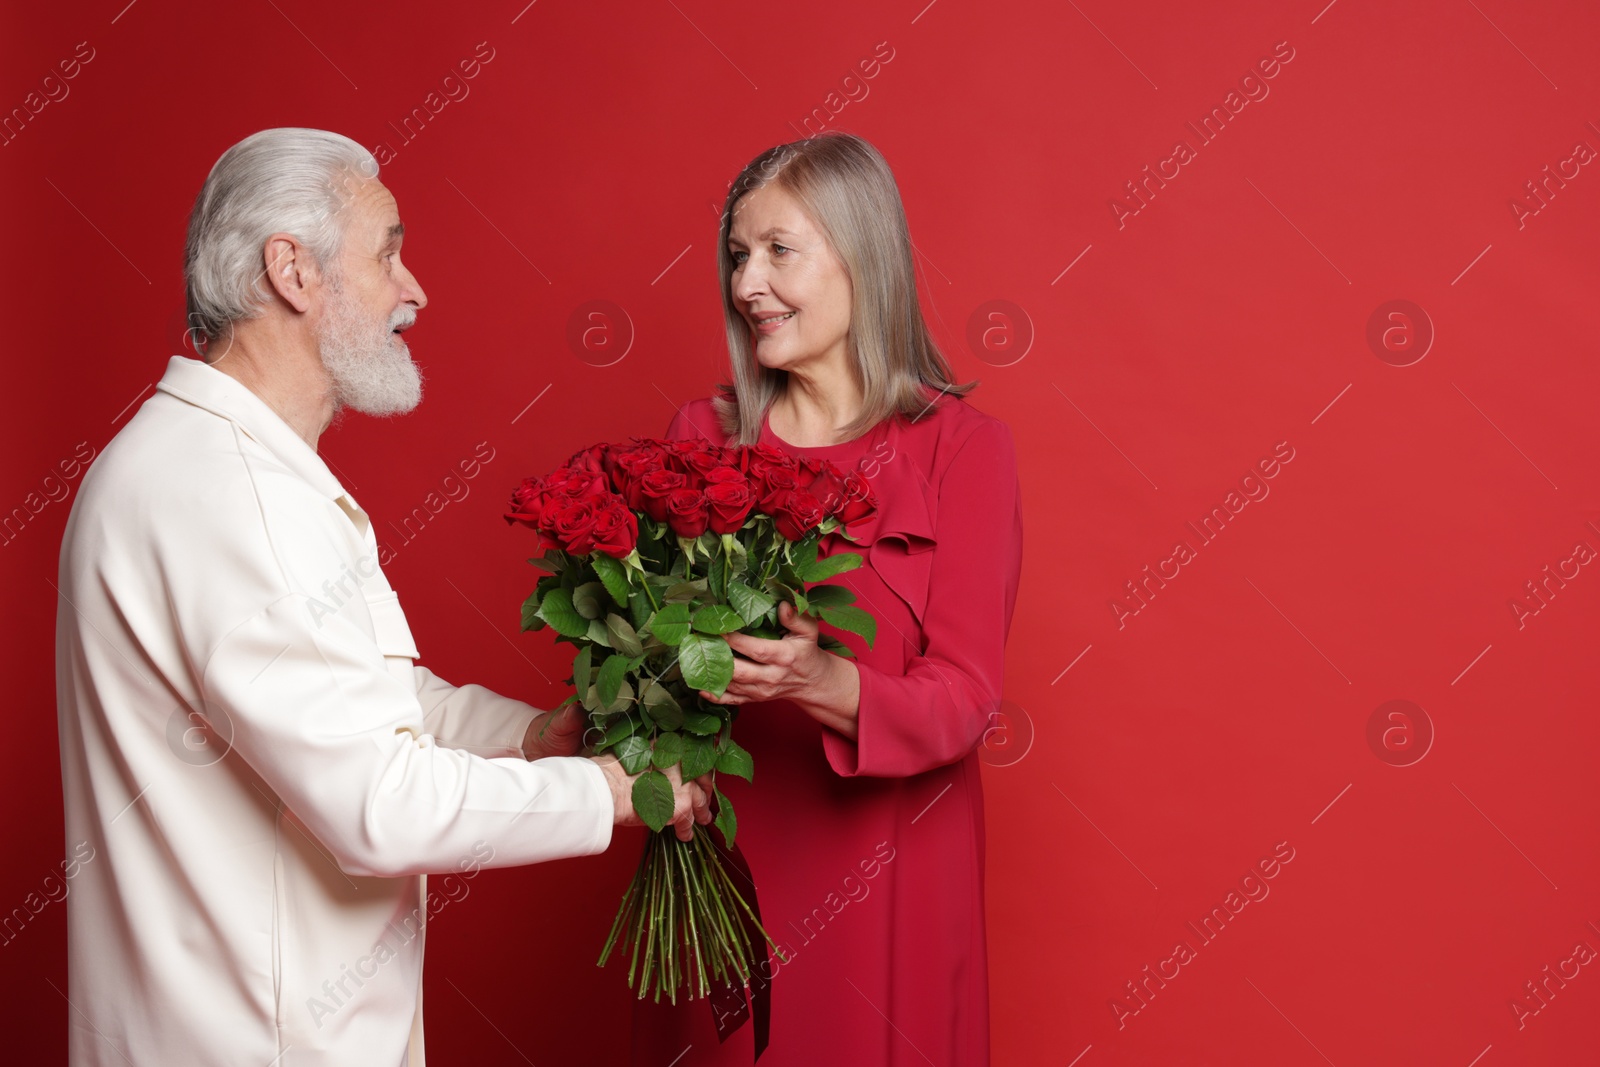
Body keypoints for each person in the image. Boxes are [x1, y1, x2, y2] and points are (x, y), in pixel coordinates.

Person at [54, 127, 708, 1067]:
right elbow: (379, 805)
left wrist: (524, 737)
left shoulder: (215, 467)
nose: (414, 289)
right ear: (294, 272)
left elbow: (362, 705)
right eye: (388, 250)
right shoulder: (234, 495)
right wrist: (611, 791)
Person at [634, 133, 1023, 1065]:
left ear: (862, 255)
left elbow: (967, 697)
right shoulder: (706, 435)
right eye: (737, 256)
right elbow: (654, 666)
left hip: (894, 874)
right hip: (732, 865)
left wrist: (821, 682)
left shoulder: (962, 449)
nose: (745, 286)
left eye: (778, 251)